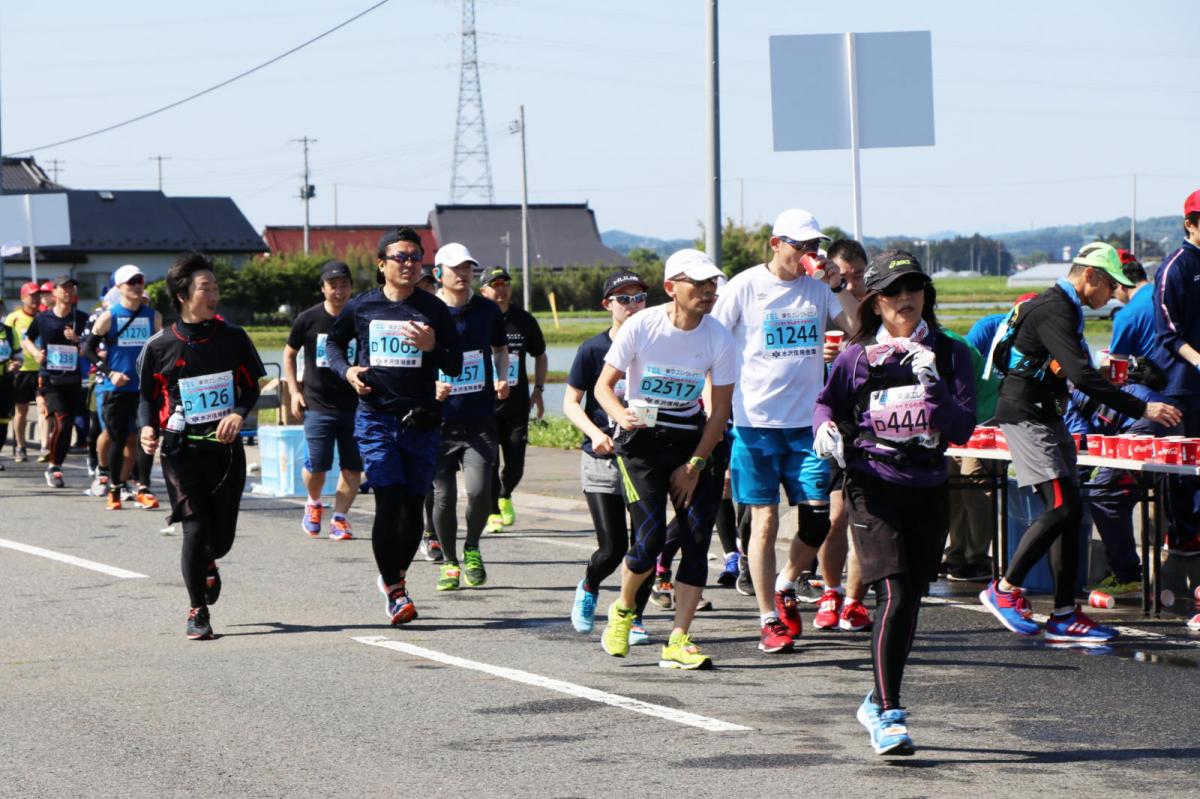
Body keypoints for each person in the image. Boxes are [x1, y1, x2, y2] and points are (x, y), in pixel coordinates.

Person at [813, 249, 976, 756]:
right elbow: (827, 403)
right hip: (872, 483)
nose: (906, 298)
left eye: (914, 288)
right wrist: (823, 429)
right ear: (876, 302)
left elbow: (962, 429)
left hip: (927, 484)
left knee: (911, 600)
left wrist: (933, 386)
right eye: (893, 291)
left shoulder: (951, 353)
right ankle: (888, 712)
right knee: (895, 594)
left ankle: (877, 697)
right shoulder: (856, 356)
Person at [980, 242, 1181, 643]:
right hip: (1026, 415)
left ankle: (1064, 614)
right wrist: (1142, 408)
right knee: (1061, 506)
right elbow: (1081, 375)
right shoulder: (1055, 307)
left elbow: (1069, 370)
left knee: (1071, 512)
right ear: (1090, 275)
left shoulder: (1066, 308)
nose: (1113, 295)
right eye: (1110, 285)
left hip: (1046, 413)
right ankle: (1004, 589)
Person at [709, 208, 859, 654]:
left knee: (817, 520)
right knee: (765, 521)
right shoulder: (744, 286)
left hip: (807, 426)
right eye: (801, 245)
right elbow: (712, 342)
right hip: (755, 425)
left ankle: (785, 582)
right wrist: (714, 412)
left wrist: (839, 284)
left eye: (815, 246)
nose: (810, 253)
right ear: (776, 244)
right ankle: (768, 619)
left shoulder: (819, 288)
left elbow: (856, 330)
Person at [596, 248, 734, 670]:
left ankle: (678, 639)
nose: (708, 291)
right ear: (672, 287)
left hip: (691, 441)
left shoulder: (718, 335)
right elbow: (603, 387)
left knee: (696, 541)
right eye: (698, 283)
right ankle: (623, 609)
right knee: (650, 539)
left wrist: (695, 465)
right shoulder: (642, 325)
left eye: (712, 283)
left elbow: (720, 412)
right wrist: (620, 414)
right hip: (641, 441)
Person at [325, 226, 462, 625]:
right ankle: (395, 589)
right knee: (388, 501)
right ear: (382, 264)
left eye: (416, 257)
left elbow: (455, 363)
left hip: (421, 420)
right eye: (400, 257)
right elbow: (333, 344)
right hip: (376, 418)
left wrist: (432, 347)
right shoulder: (361, 307)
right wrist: (347, 370)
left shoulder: (434, 308)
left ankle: (395, 576)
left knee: (413, 510)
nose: (409, 264)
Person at [138, 253, 266, 640]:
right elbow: (145, 397)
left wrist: (238, 414)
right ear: (182, 295)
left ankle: (210, 561)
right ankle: (198, 611)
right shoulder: (159, 345)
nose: (214, 295)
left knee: (220, 540)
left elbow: (251, 387)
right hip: (180, 452)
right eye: (205, 288)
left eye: (215, 287)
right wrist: (147, 428)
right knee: (194, 528)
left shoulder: (233, 338)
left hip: (225, 452)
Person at [564, 269, 650, 638]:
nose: (633, 305)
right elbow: (571, 403)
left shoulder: (656, 345)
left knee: (645, 544)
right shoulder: (592, 349)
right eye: (624, 299)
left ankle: (634, 617)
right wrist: (596, 434)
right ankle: (589, 586)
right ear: (607, 305)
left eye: (639, 297)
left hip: (646, 459)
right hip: (602, 458)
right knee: (612, 548)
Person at [428, 243, 509, 591]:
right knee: (443, 497)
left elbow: (500, 348)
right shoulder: (427, 311)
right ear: (438, 273)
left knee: (478, 492)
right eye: (455, 268)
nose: (462, 274)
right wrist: (431, 384)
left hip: (479, 419)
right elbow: (415, 361)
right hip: (437, 422)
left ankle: (472, 547)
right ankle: (449, 562)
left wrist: (502, 376)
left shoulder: (487, 310)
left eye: (467, 268)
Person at [814, 238, 873, 631]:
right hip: (832, 421)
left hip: (869, 420)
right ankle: (831, 592)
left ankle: (854, 601)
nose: (852, 284)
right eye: (844, 276)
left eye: (859, 275)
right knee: (835, 515)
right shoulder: (818, 301)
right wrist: (821, 355)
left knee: (863, 516)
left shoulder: (875, 305)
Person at [284, 260, 364, 540]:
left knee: (353, 467)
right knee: (317, 466)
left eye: (344, 285)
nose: (339, 291)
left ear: (351, 287)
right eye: (333, 285)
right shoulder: (308, 319)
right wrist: (294, 392)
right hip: (317, 404)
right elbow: (289, 354)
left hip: (356, 406)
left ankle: (340, 518)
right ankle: (313, 502)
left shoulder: (361, 317)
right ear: (323, 288)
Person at [84, 265, 162, 510]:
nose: (137, 286)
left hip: (144, 390)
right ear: (119, 287)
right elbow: (87, 349)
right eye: (131, 282)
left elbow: (161, 350)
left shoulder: (153, 316)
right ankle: (115, 489)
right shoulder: (109, 316)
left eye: (140, 281)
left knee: (147, 438)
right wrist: (110, 372)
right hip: (116, 389)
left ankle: (144, 488)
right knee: (118, 440)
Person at [479, 266, 548, 532]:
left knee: (516, 462)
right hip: (483, 405)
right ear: (483, 290)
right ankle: (493, 511)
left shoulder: (523, 320)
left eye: (505, 284)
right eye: (495, 285)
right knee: (489, 462)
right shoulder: (477, 318)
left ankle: (504, 494)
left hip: (516, 405)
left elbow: (540, 355)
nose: (502, 289)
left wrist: (538, 390)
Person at [22, 276, 88, 488]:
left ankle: (56, 464)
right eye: (64, 288)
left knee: (67, 426)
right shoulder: (43, 318)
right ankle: (53, 466)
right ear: (54, 292)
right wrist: (35, 353)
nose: (68, 291)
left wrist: (78, 340)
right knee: (62, 420)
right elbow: (27, 339)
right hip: (50, 378)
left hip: (73, 378)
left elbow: (90, 346)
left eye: (71, 287)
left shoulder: (82, 318)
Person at [5, 282, 42, 462]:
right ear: (23, 297)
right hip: (22, 370)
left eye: (37, 295)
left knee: (44, 408)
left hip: (42, 369)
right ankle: (21, 446)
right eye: (31, 295)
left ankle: (45, 446)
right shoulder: (13, 318)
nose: (35, 299)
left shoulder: (44, 317)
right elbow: (5, 342)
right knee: (22, 410)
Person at [1109, 249, 1154, 359]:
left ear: (1120, 283)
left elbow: (1118, 364)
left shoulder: (1126, 315)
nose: (1111, 294)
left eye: (1112, 287)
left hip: (1154, 369)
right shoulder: (1168, 295)